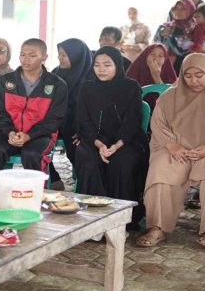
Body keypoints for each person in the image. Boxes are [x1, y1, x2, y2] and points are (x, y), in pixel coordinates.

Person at [136, 54, 205, 249]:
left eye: (199, 75)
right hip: (177, 148)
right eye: (188, 75)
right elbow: (158, 124)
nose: (193, 80)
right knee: (161, 168)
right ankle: (156, 227)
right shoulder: (169, 96)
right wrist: (171, 145)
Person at [74, 47, 149, 229]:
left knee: (122, 162)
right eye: (97, 65)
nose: (101, 69)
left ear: (118, 65)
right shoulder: (86, 87)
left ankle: (121, 220)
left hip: (126, 141)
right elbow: (83, 120)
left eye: (107, 65)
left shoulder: (130, 87)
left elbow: (132, 120)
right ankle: (92, 220)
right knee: (89, 159)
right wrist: (99, 145)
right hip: (94, 140)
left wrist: (116, 145)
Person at [0, 38, 68, 173]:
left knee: (32, 154)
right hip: (8, 132)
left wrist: (29, 136)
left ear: (44, 57)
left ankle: (36, 192)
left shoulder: (57, 85)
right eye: (22, 55)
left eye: (32, 55)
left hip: (40, 135)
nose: (26, 59)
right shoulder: (6, 81)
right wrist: (10, 132)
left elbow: (55, 119)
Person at [51, 38, 94, 169]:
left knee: (76, 140)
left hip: (79, 122)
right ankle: (52, 178)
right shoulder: (55, 73)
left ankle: (81, 179)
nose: (60, 58)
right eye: (59, 54)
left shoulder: (90, 78)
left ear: (76, 56)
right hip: (57, 119)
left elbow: (91, 108)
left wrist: (82, 128)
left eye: (64, 55)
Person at [125, 43, 178, 110]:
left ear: (165, 60)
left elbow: (171, 103)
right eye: (152, 54)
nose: (156, 58)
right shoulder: (134, 72)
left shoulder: (169, 75)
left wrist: (156, 77)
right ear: (145, 56)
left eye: (160, 56)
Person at [154, 0, 197, 74]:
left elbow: (184, 49)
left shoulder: (196, 28)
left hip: (188, 67)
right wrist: (161, 35)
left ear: (190, 11)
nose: (178, 12)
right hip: (163, 66)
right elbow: (154, 45)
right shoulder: (164, 27)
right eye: (176, 8)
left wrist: (170, 37)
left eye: (183, 9)